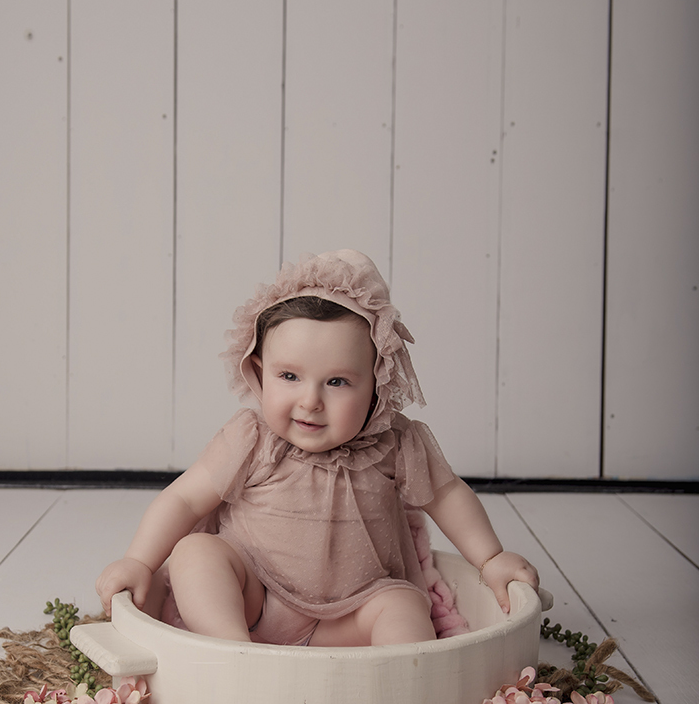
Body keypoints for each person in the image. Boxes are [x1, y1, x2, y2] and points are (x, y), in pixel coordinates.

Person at [96, 251, 539, 646]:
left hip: (353, 612)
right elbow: (185, 499)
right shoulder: (252, 438)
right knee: (195, 553)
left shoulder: (395, 443)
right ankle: (233, 653)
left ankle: (404, 679)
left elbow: (448, 495)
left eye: (338, 382)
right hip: (255, 600)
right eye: (289, 376)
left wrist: (491, 558)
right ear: (259, 371)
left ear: (377, 386)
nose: (310, 401)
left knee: (402, 604)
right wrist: (139, 560)